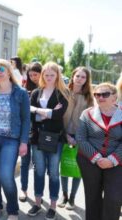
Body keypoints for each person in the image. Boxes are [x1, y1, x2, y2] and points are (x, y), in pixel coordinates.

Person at [0, 59, 30, 220]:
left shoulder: (20, 93)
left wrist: (23, 142)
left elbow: (26, 120)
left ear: (9, 71)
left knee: (6, 175)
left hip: (11, 139)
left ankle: (13, 210)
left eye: (2, 69)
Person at [27, 62, 69, 220]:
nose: (49, 77)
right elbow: (30, 115)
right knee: (38, 171)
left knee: (53, 173)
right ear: (42, 75)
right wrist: (47, 112)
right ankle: (37, 203)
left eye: (52, 74)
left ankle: (52, 206)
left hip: (55, 138)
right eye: (47, 74)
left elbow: (58, 115)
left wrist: (38, 111)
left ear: (57, 75)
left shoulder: (62, 94)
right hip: (38, 137)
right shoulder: (36, 93)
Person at [76, 83, 122, 220]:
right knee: (92, 197)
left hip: (117, 162)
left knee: (114, 198)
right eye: (97, 94)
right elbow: (80, 138)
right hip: (89, 160)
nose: (100, 97)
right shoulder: (87, 113)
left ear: (114, 97)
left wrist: (112, 160)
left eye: (105, 94)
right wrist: (96, 158)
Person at [58, 67, 94, 210]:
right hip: (63, 134)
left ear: (87, 80)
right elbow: (58, 115)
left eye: (83, 77)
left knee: (77, 168)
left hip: (81, 137)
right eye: (77, 76)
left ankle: (72, 198)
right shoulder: (64, 93)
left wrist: (78, 138)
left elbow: (90, 120)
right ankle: (64, 195)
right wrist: (65, 135)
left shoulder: (89, 97)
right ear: (72, 76)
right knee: (65, 165)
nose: (79, 79)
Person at [19, 62, 42, 202]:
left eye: (36, 74)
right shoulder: (25, 89)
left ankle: (37, 193)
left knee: (38, 165)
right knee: (24, 162)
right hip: (26, 130)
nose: (33, 77)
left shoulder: (45, 89)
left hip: (40, 132)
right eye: (31, 75)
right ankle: (23, 189)